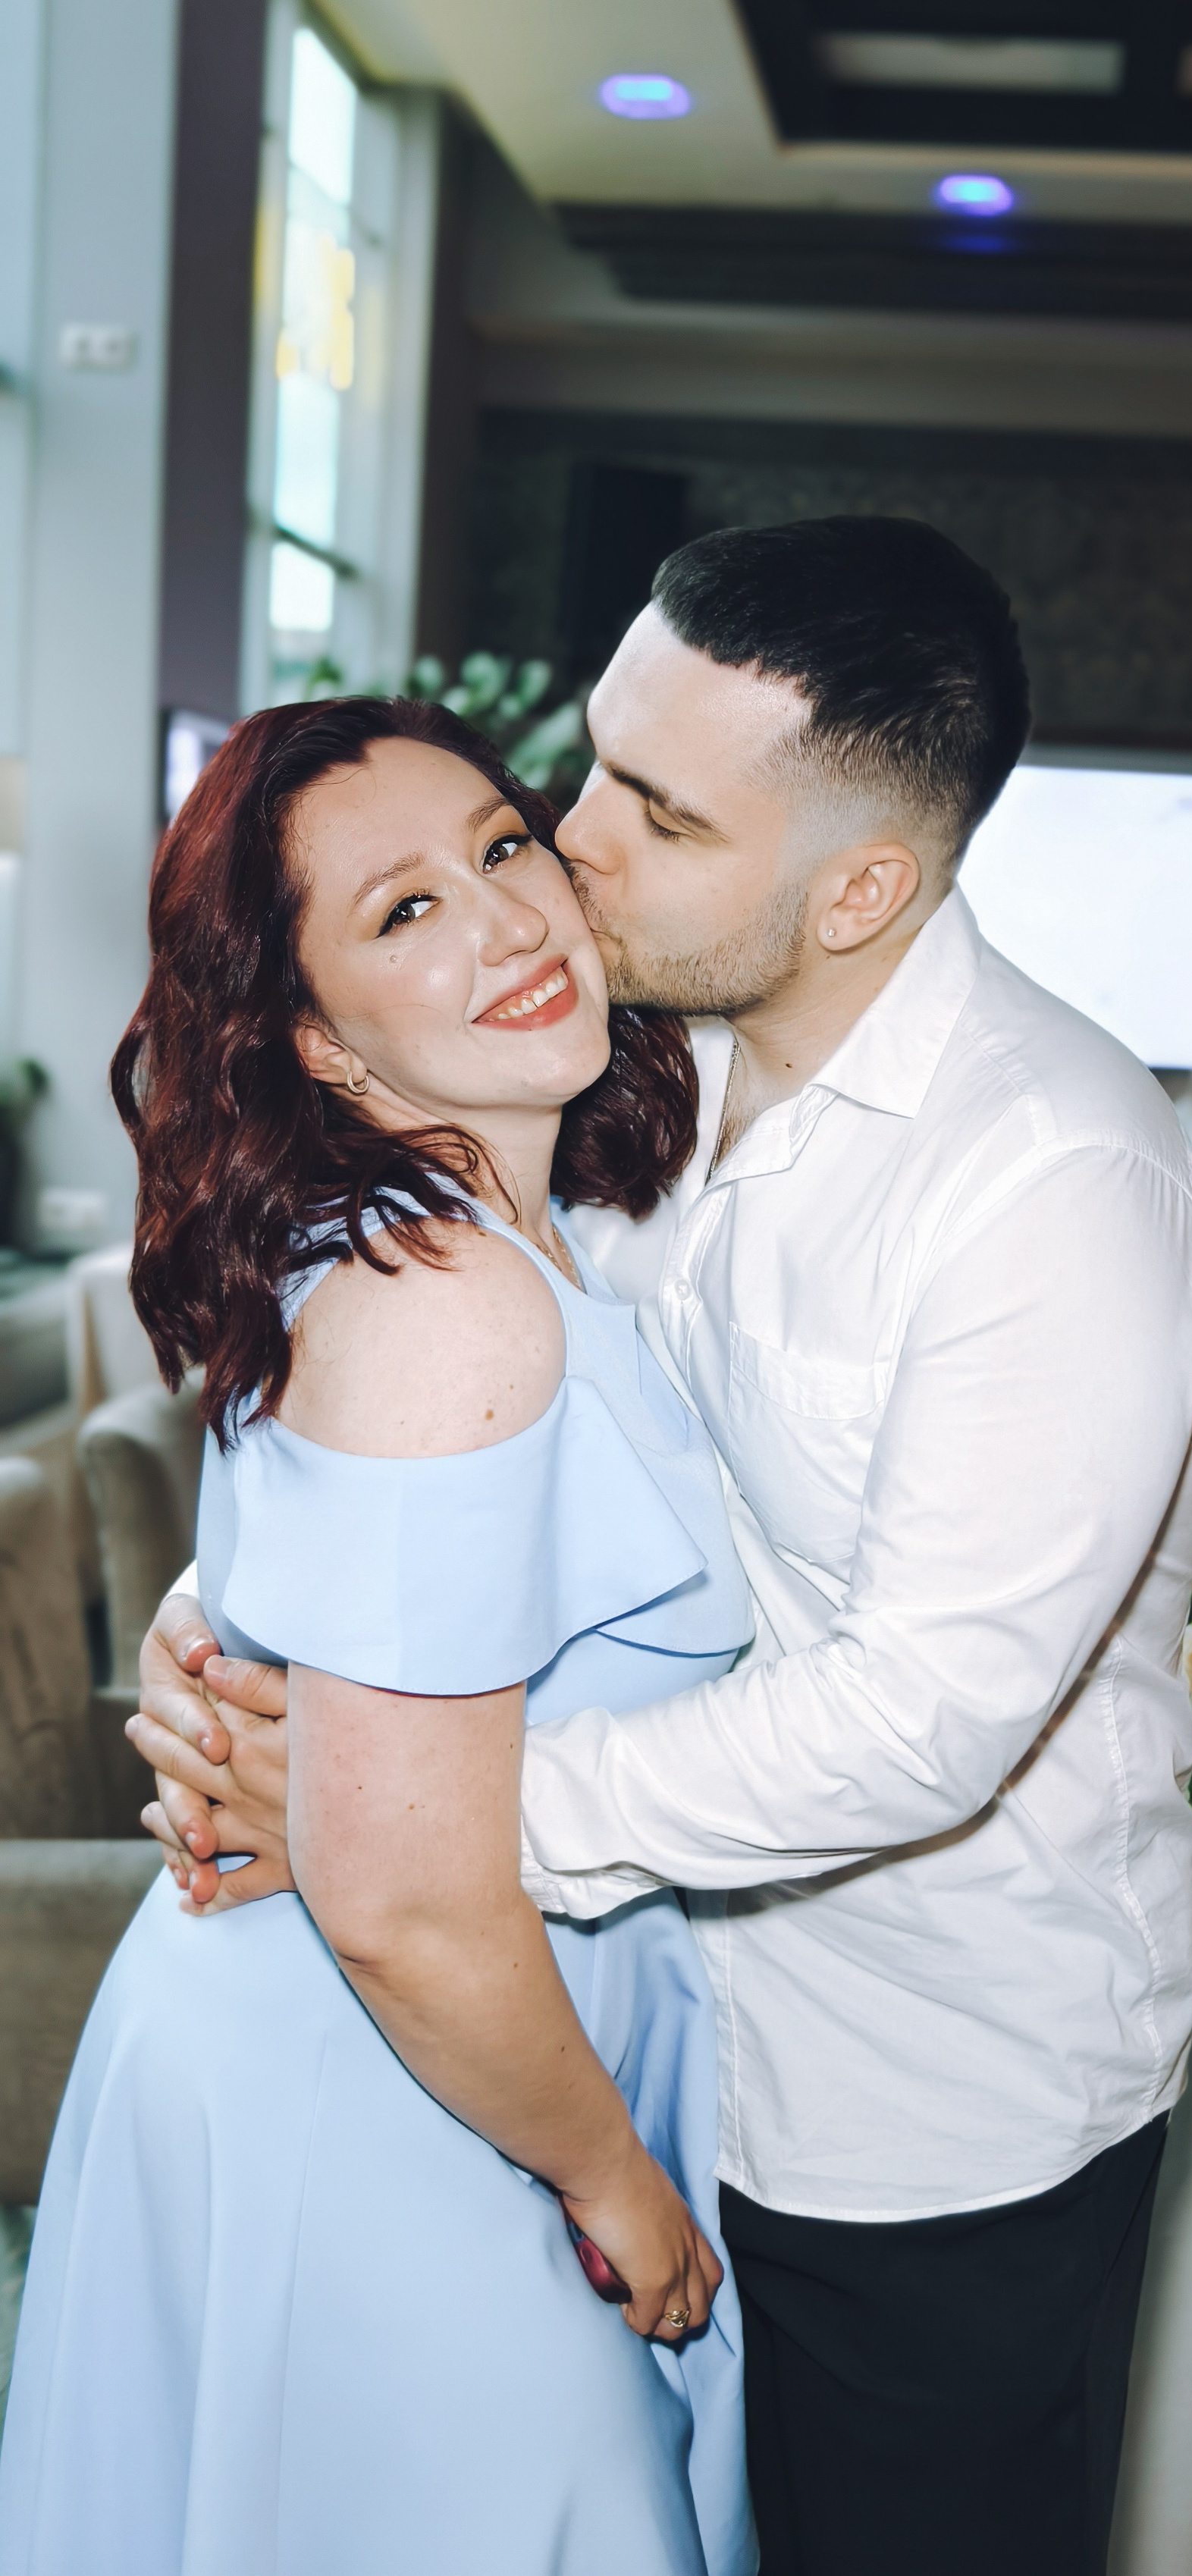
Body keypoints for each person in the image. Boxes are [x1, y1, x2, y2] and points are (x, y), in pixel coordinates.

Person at [135, 516, 1192, 2576]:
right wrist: (230, 1650)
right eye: (590, 764)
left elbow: (921, 1718)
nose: (570, 846)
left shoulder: (1056, 1177)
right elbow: (469, 1426)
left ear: (861, 889)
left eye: (655, 809)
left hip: (926, 2100)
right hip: (617, 2034)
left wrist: (417, 1820)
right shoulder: (618, 1066)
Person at [0, 699, 758, 2576]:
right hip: (394, 2097)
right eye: (404, 911)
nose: (507, 921)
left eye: (502, 848)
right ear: (318, 1037)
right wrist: (608, 2176)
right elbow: (403, 1902)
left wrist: (201, 1636)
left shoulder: (488, 1239)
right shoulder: (448, 1294)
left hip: (425, 2053)